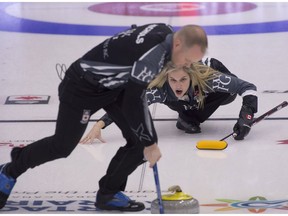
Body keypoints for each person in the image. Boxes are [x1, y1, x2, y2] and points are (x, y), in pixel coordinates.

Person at [0, 23, 208, 212]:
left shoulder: (166, 32)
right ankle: (11, 170)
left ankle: (108, 194)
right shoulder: (152, 56)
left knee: (139, 144)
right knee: (62, 146)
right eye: (188, 60)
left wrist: (147, 142)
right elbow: (134, 102)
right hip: (82, 86)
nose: (188, 65)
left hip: (114, 86)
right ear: (178, 43)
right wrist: (151, 143)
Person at [80, 57, 257, 144]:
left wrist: (246, 117)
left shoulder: (207, 79)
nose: (178, 85)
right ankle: (188, 118)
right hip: (186, 103)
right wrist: (99, 125)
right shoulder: (160, 90)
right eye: (173, 80)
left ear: (192, 76)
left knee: (231, 89)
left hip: (209, 89)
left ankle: (190, 115)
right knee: (184, 104)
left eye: (183, 80)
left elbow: (248, 87)